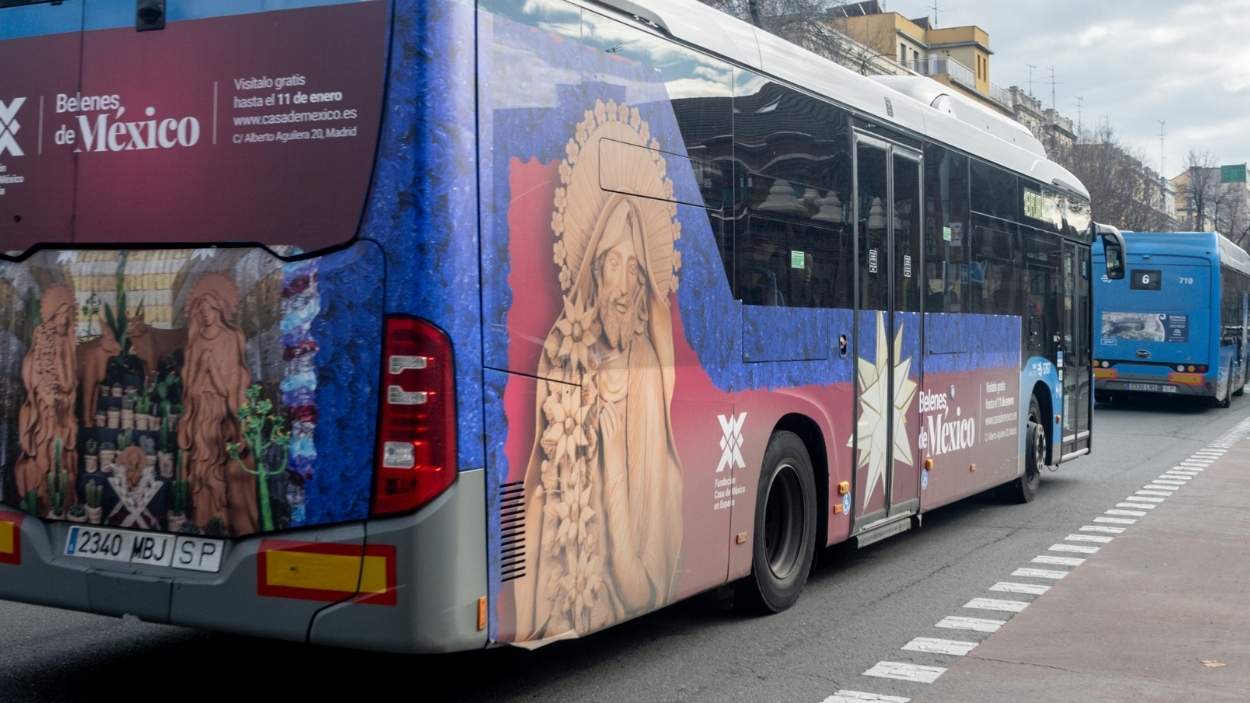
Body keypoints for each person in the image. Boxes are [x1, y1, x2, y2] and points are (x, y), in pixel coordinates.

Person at [514, 101, 684, 643]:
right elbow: (541, 490)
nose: (623, 284)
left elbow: (639, 582)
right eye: (613, 263)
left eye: (635, 269)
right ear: (592, 269)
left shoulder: (646, 372)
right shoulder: (561, 355)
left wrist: (607, 464)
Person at [178, 273, 258, 535]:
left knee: (219, 468)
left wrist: (212, 369)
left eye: (208, 309)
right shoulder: (197, 341)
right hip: (201, 409)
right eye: (200, 311)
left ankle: (221, 518)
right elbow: (191, 382)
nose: (204, 315)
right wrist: (200, 375)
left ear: (218, 309)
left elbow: (231, 385)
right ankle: (203, 516)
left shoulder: (229, 338)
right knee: (201, 465)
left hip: (221, 412)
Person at [15, 285, 79, 514]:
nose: (64, 319)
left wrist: (68, 396)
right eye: (61, 314)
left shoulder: (68, 342)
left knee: (63, 457)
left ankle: (63, 499)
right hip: (47, 413)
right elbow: (37, 375)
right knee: (47, 451)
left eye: (68, 314)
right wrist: (49, 397)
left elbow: (71, 379)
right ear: (53, 315)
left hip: (64, 410)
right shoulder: (43, 340)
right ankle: (45, 496)